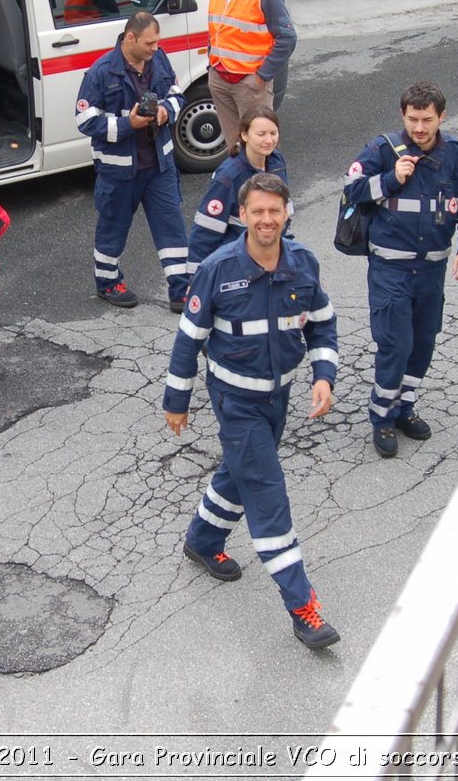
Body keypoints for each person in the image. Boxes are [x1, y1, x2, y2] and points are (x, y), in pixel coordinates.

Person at [164, 172, 341, 649]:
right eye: (257, 211)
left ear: (287, 213)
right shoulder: (219, 269)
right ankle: (301, 605)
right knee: (267, 491)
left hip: (277, 399)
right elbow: (188, 340)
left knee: (240, 472)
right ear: (242, 216)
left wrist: (324, 376)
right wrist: (175, 400)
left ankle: (202, 540)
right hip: (235, 401)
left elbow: (323, 325)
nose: (267, 219)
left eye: (274, 211)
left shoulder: (303, 263)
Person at [342, 81, 458, 459]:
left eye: (426, 120)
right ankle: (382, 417)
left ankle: (404, 407)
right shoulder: (382, 150)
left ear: (441, 117)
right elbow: (350, 189)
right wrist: (391, 179)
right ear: (402, 116)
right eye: (412, 119)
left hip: (432, 271)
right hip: (390, 270)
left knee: (422, 344)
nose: (419, 128)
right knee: (396, 344)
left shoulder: (455, 153)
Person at [74, 11, 190, 310]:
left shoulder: (159, 60)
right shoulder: (100, 72)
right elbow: (86, 121)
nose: (155, 48)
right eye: (149, 43)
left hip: (159, 167)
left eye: (156, 42)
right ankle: (108, 283)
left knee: (172, 227)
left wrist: (165, 111)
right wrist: (130, 125)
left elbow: (177, 94)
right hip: (119, 171)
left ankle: (181, 290)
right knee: (112, 228)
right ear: (130, 38)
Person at [205, 0, 296, 157]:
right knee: (234, 148)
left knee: (261, 148)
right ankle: (242, 191)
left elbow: (287, 38)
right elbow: (217, 27)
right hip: (220, 77)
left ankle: (268, 190)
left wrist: (261, 77)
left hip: (249, 84)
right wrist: (212, 65)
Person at [186, 106, 289, 273]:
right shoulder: (228, 176)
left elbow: (284, 210)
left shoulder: (277, 161)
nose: (269, 140)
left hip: (270, 253)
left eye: (273, 133)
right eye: (261, 134)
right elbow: (206, 230)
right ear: (244, 135)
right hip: (238, 262)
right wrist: (195, 279)